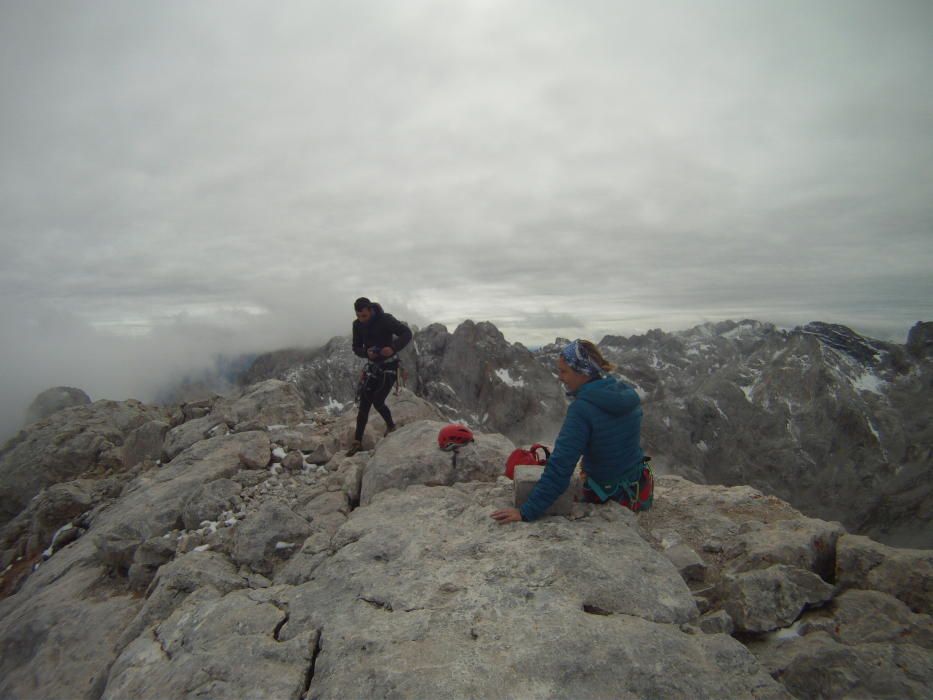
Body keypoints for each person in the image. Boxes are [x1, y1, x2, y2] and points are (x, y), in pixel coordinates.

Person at [491, 339, 647, 524]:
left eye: (564, 371)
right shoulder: (626, 393)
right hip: (638, 488)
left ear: (583, 372)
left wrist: (526, 511)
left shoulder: (582, 409)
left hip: (606, 493)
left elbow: (561, 466)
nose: (560, 377)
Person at [347, 297, 412, 456]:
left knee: (377, 400)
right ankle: (357, 442)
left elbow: (406, 333)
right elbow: (356, 347)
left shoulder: (385, 320)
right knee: (364, 404)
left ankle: (391, 426)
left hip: (389, 366)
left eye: (364, 316)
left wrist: (393, 348)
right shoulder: (357, 325)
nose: (361, 319)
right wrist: (365, 353)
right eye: (358, 316)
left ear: (370, 310)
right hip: (373, 367)